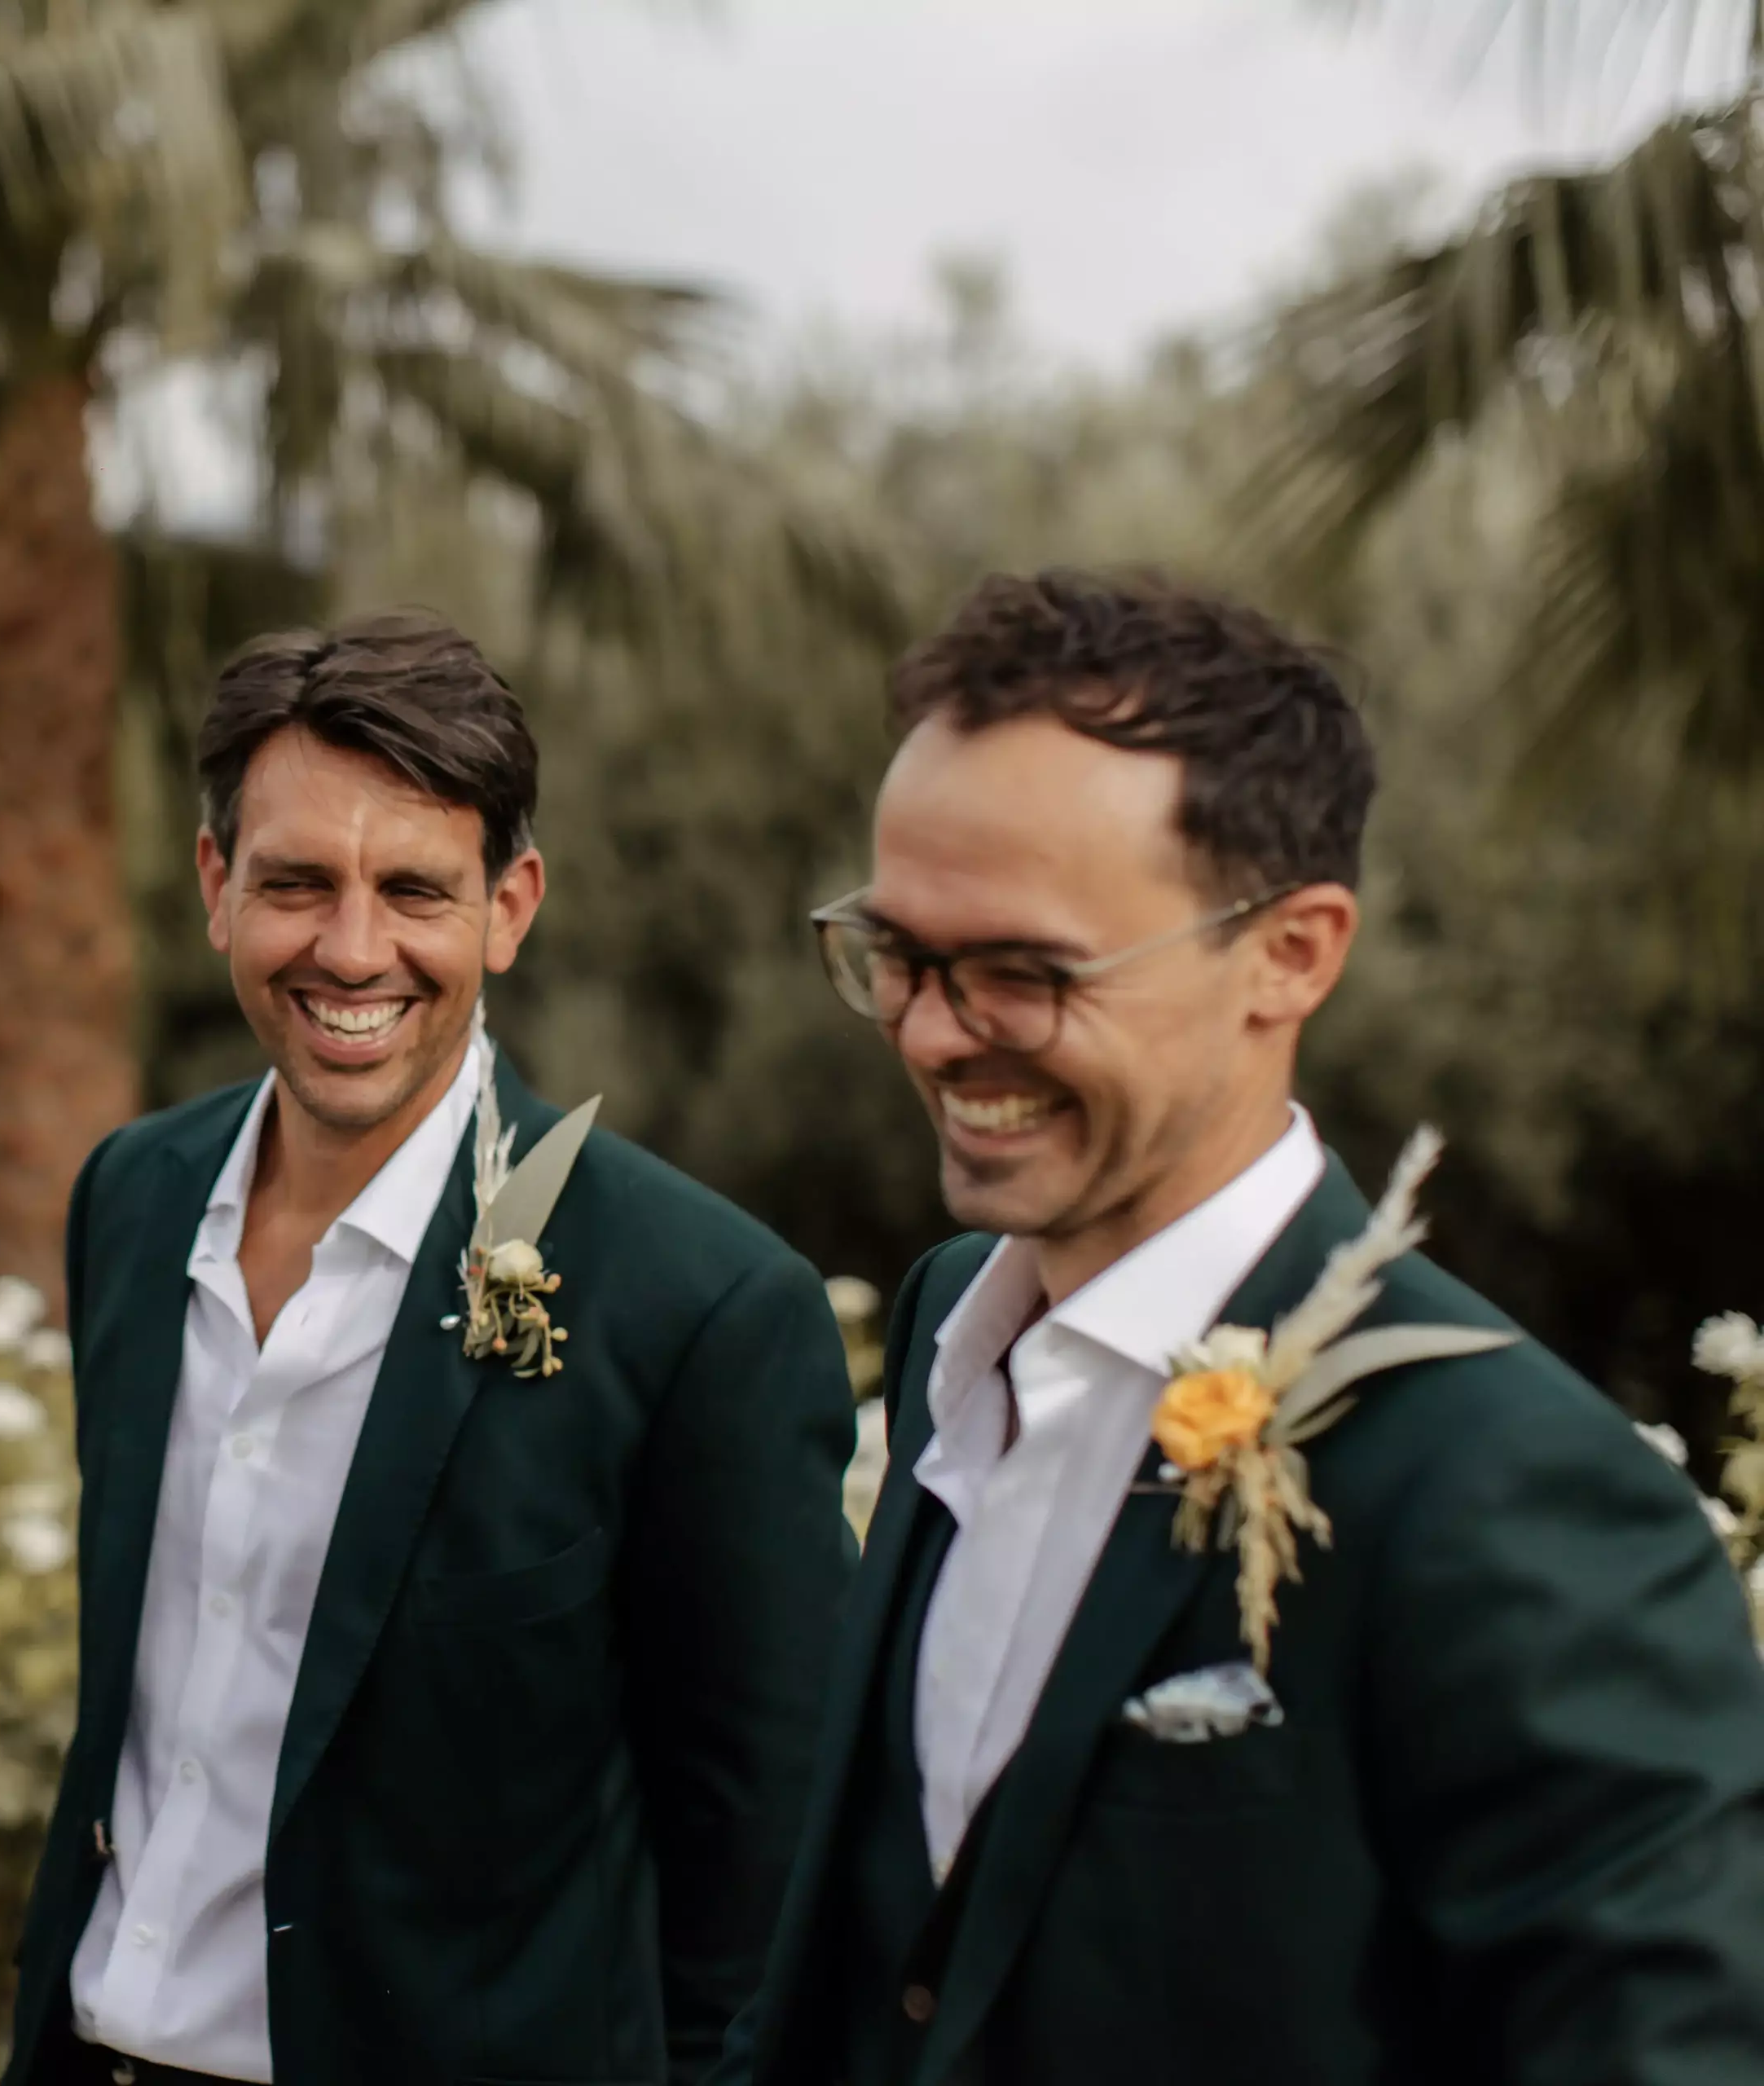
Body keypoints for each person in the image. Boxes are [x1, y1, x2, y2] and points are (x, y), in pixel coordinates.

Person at [726, 571, 1764, 2086]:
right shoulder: (962, 1312)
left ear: (1293, 952)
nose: (937, 1033)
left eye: (1026, 971)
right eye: (897, 956)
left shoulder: (1514, 1495)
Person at [1, 611, 858, 2086]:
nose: (352, 950)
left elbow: (769, 1892)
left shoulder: (702, 1311)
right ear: (215, 887)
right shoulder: (130, 1201)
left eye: (413, 889)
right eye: (294, 884)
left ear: (509, 908)